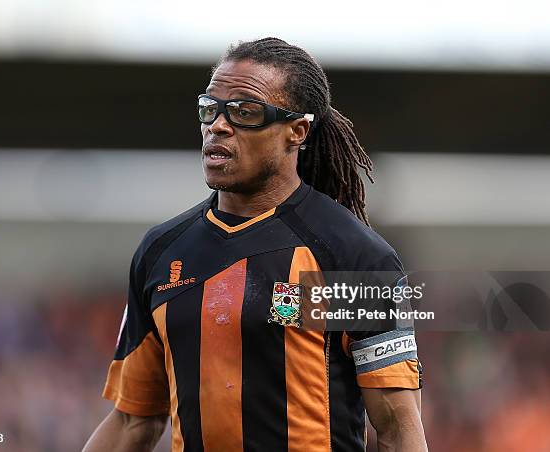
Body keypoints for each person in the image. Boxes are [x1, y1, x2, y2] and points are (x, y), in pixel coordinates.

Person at [83, 37, 427, 452]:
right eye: (210, 109)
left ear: (296, 131)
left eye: (246, 112)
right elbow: (133, 420)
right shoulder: (162, 253)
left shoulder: (352, 257)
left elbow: (398, 430)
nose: (218, 126)